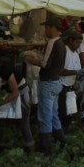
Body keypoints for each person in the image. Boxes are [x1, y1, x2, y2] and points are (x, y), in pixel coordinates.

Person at [27, 17, 67, 154]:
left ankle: (46, 148)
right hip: (57, 82)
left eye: (46, 27)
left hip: (48, 83)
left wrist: (32, 59)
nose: (45, 30)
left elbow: (45, 64)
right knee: (54, 114)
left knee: (45, 115)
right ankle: (61, 141)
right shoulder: (62, 43)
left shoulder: (52, 42)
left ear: (52, 28)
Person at [0, 59, 34, 152]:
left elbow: (15, 93)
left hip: (22, 93)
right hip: (12, 93)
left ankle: (30, 149)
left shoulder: (4, 70)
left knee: (24, 122)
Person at [58, 29, 83, 130]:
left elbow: (77, 71)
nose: (79, 45)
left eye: (80, 43)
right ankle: (59, 133)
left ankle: (66, 131)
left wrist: (81, 75)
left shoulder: (76, 54)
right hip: (62, 86)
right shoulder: (64, 51)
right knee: (62, 112)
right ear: (70, 40)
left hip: (71, 87)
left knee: (70, 111)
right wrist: (76, 72)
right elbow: (60, 70)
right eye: (77, 42)